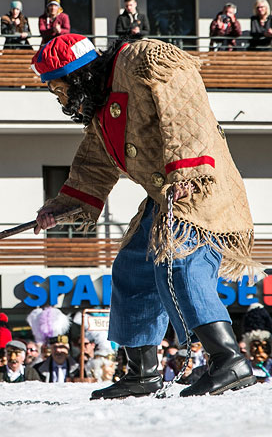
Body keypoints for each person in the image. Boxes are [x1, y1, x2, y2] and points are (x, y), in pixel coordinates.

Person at [31, 33, 259, 399]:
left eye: (60, 90)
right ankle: (142, 372)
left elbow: (185, 104)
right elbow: (93, 164)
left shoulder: (143, 58)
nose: (61, 100)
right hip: (164, 197)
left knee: (180, 262)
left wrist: (186, 169)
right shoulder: (102, 110)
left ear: (78, 75)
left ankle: (228, 359)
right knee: (132, 267)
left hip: (200, 185)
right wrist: (63, 206)